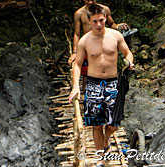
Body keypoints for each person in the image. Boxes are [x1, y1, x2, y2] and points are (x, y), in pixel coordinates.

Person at [68, 4, 134, 167]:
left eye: (102, 20)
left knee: (114, 124)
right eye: (95, 21)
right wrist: (76, 86)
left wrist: (129, 61)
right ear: (89, 22)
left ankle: (106, 139)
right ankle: (100, 157)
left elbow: (127, 52)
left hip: (113, 83)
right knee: (96, 124)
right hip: (93, 84)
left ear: (105, 19)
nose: (99, 24)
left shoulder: (116, 36)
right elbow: (77, 64)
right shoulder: (85, 41)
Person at [68, 0, 128, 93]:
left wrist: (119, 27)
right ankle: (85, 93)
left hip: (103, 43)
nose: (91, 2)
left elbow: (112, 24)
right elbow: (76, 33)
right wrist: (75, 52)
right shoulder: (79, 13)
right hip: (88, 45)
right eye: (88, 0)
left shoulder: (105, 10)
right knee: (85, 72)